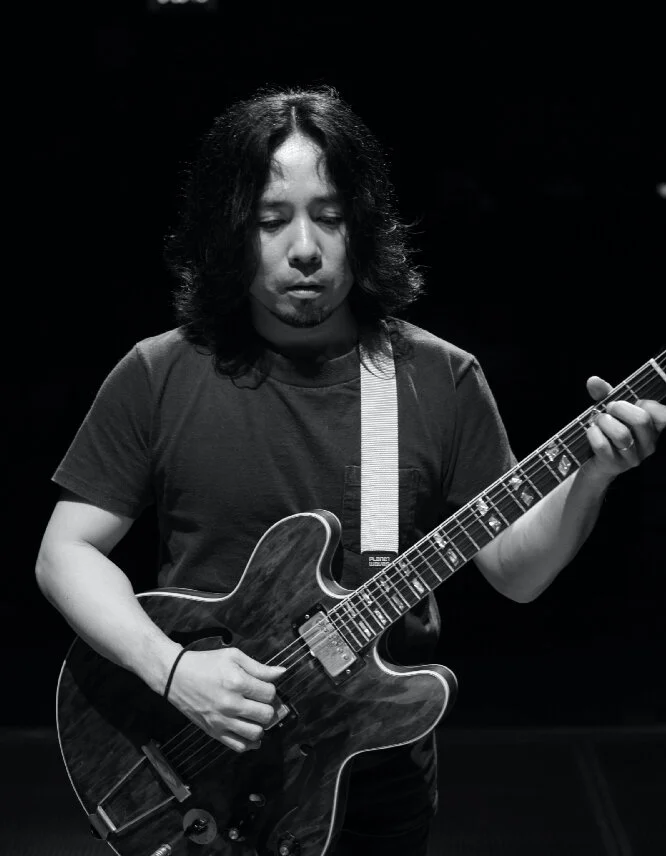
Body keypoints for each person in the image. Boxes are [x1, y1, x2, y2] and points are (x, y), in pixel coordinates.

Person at [35, 87, 665, 856]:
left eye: (329, 217)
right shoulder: (156, 374)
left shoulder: (439, 378)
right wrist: (171, 671)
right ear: (230, 230)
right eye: (272, 219)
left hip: (375, 778)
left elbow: (517, 574)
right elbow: (64, 554)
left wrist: (591, 477)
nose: (305, 247)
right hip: (196, 757)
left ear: (362, 225)